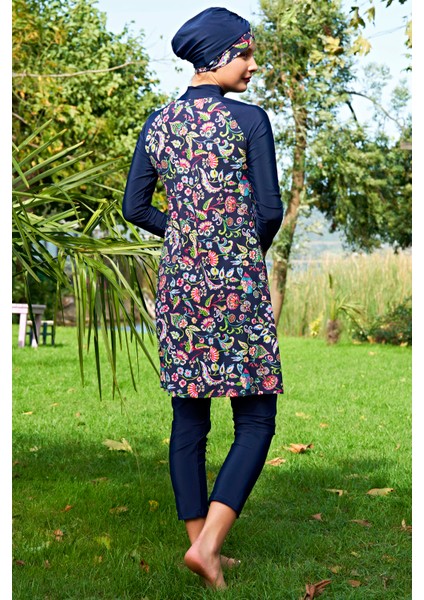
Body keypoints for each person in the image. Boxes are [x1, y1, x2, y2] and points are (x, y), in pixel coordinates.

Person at [122, 7, 284, 590]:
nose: (252, 64)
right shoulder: (250, 120)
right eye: (245, 53)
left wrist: (188, 236)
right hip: (236, 284)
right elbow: (270, 210)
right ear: (218, 57)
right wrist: (233, 247)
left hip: (180, 285)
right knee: (256, 415)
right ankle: (209, 547)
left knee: (189, 415)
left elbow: (134, 207)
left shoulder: (158, 122)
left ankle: (200, 545)